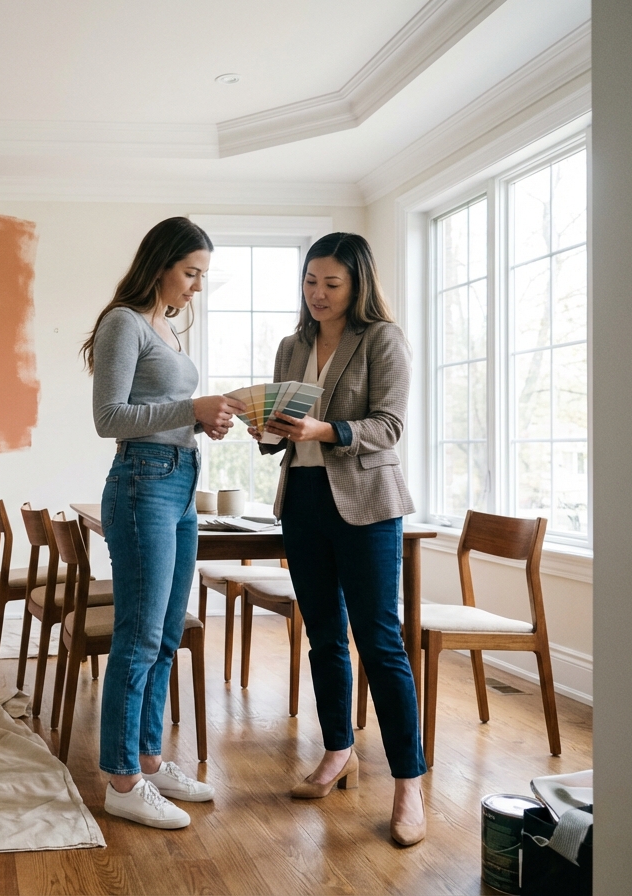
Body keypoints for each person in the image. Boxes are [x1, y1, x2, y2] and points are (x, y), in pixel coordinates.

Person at [250, 232, 427, 847]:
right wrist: (266, 428)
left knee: (380, 643)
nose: (318, 294)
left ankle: (410, 782)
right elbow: (278, 435)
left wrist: (328, 428)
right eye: (310, 281)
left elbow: (391, 426)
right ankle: (336, 751)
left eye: (332, 283)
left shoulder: (382, 339)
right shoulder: (291, 344)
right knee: (323, 635)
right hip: (300, 502)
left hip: (368, 507)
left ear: (357, 284)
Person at [81, 217, 246, 829]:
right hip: (142, 482)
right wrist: (189, 408)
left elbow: (159, 413)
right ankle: (122, 780)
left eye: (203, 275)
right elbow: (109, 417)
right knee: (141, 634)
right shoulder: (122, 322)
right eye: (191, 272)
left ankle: (148, 760)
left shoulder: (166, 329)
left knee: (169, 632)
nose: (197, 286)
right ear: (160, 264)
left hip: (179, 479)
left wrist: (201, 423)